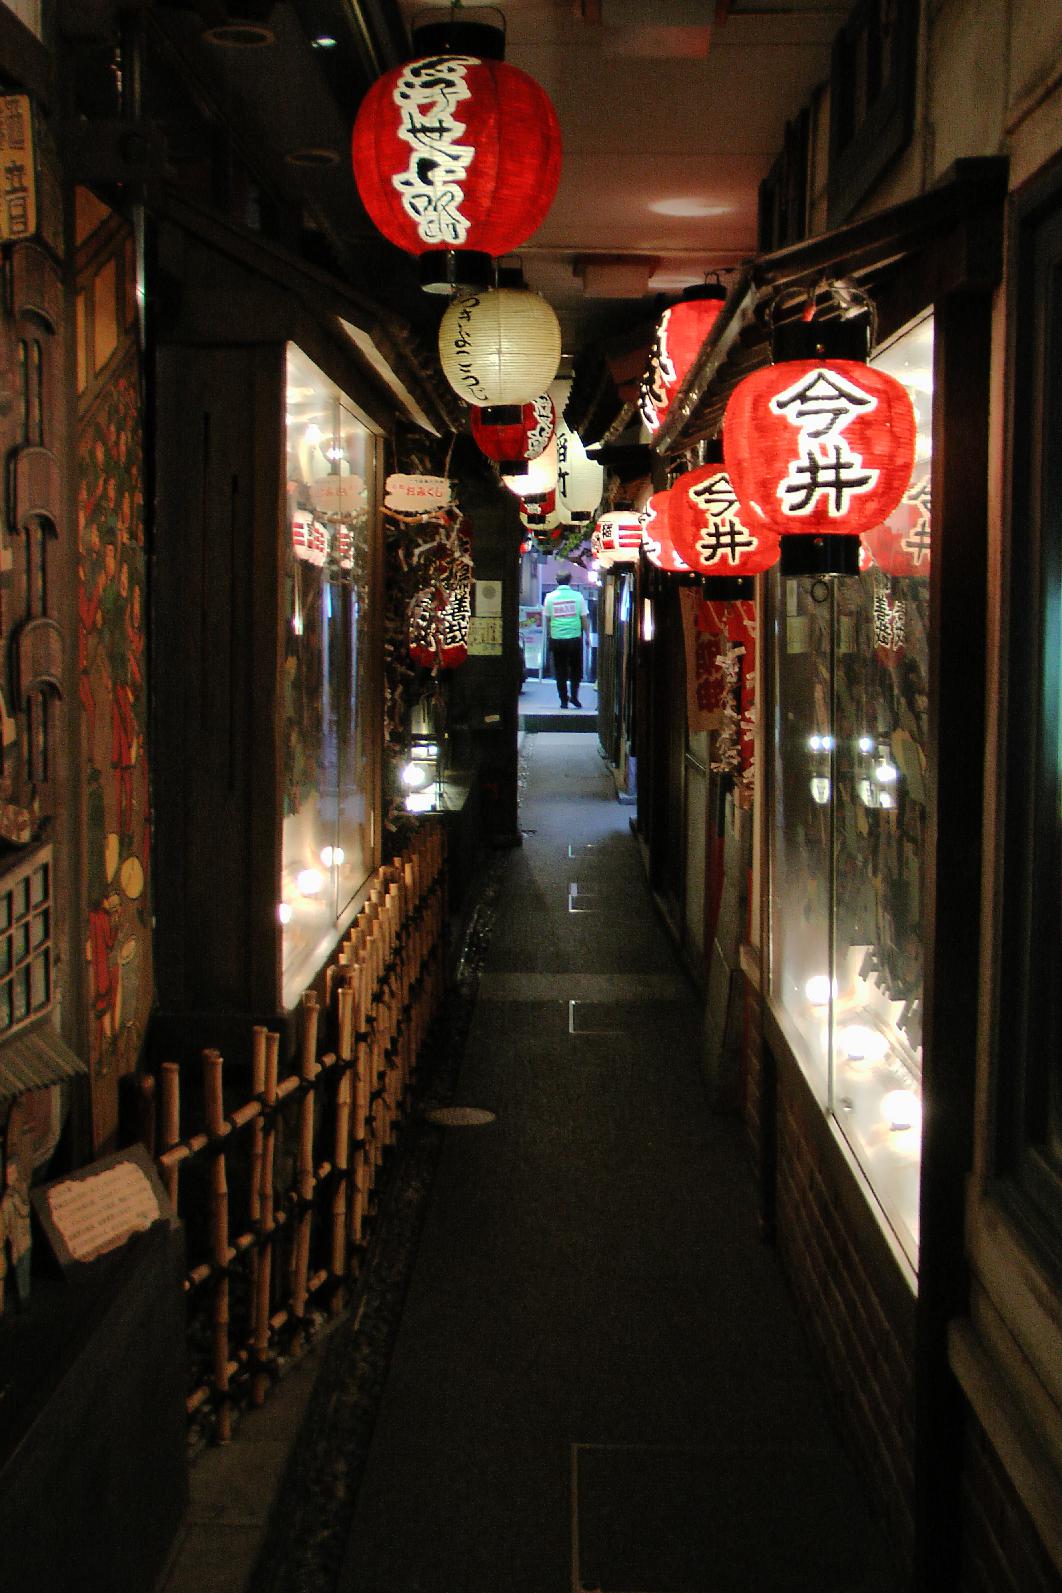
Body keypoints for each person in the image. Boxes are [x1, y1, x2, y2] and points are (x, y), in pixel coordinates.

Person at [543, 566, 590, 708]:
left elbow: (548, 619)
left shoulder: (549, 598)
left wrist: (549, 636)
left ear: (556, 581)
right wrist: (587, 636)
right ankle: (574, 697)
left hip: (557, 638)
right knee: (576, 669)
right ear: (570, 581)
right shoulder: (578, 597)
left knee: (560, 670)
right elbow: (583, 619)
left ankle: (563, 700)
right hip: (575, 638)